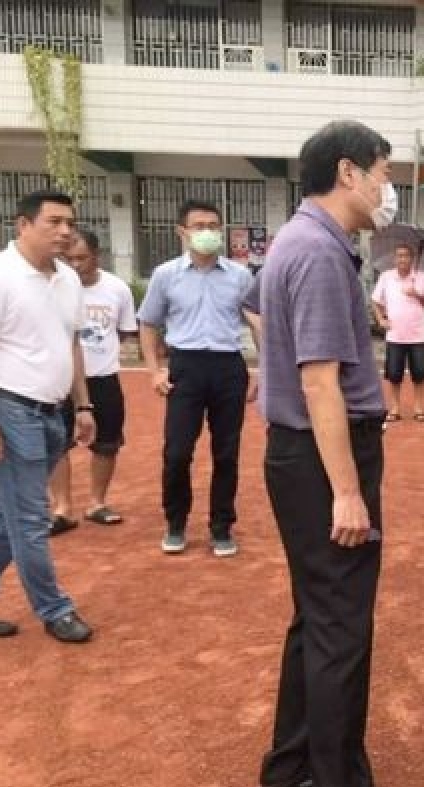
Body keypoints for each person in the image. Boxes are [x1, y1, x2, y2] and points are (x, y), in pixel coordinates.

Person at [251, 120, 420, 787]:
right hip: (326, 459)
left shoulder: (299, 242)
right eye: (384, 173)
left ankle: (290, 770)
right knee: (339, 631)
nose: (388, 188)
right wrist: (347, 493)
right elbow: (319, 380)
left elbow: (273, 328)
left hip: (299, 456)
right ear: (349, 172)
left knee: (314, 620)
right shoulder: (318, 252)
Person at [0, 190, 96, 643]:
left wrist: (84, 405)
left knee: (5, 519)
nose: (65, 231)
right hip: (11, 410)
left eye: (68, 222)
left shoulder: (68, 279)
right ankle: (54, 609)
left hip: (54, 413)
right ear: (23, 225)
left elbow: (70, 345)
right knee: (32, 519)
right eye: (53, 222)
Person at [137, 198, 260, 557]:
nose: (206, 233)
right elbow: (148, 323)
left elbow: (255, 322)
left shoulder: (239, 276)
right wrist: (154, 370)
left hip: (227, 367)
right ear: (182, 232)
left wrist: (260, 368)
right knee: (177, 453)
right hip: (185, 368)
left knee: (227, 453)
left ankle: (221, 526)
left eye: (212, 226)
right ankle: (175, 523)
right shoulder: (166, 275)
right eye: (198, 226)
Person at [47, 229, 137, 533]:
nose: (75, 264)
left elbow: (125, 331)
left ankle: (97, 503)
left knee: (106, 442)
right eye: (68, 258)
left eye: (82, 258)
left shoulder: (117, 289)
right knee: (57, 442)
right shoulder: (53, 287)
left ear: (97, 255)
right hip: (59, 379)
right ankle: (62, 508)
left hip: (103, 377)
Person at [371, 243, 424, 424]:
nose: (402, 259)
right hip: (395, 335)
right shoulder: (386, 277)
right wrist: (381, 319)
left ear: (412, 258)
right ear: (395, 258)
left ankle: (419, 408)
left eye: (406, 256)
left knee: (420, 373)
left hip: (417, 335)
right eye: (399, 256)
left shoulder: (421, 277)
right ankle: (395, 408)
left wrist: (416, 293)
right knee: (394, 374)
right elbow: (376, 300)